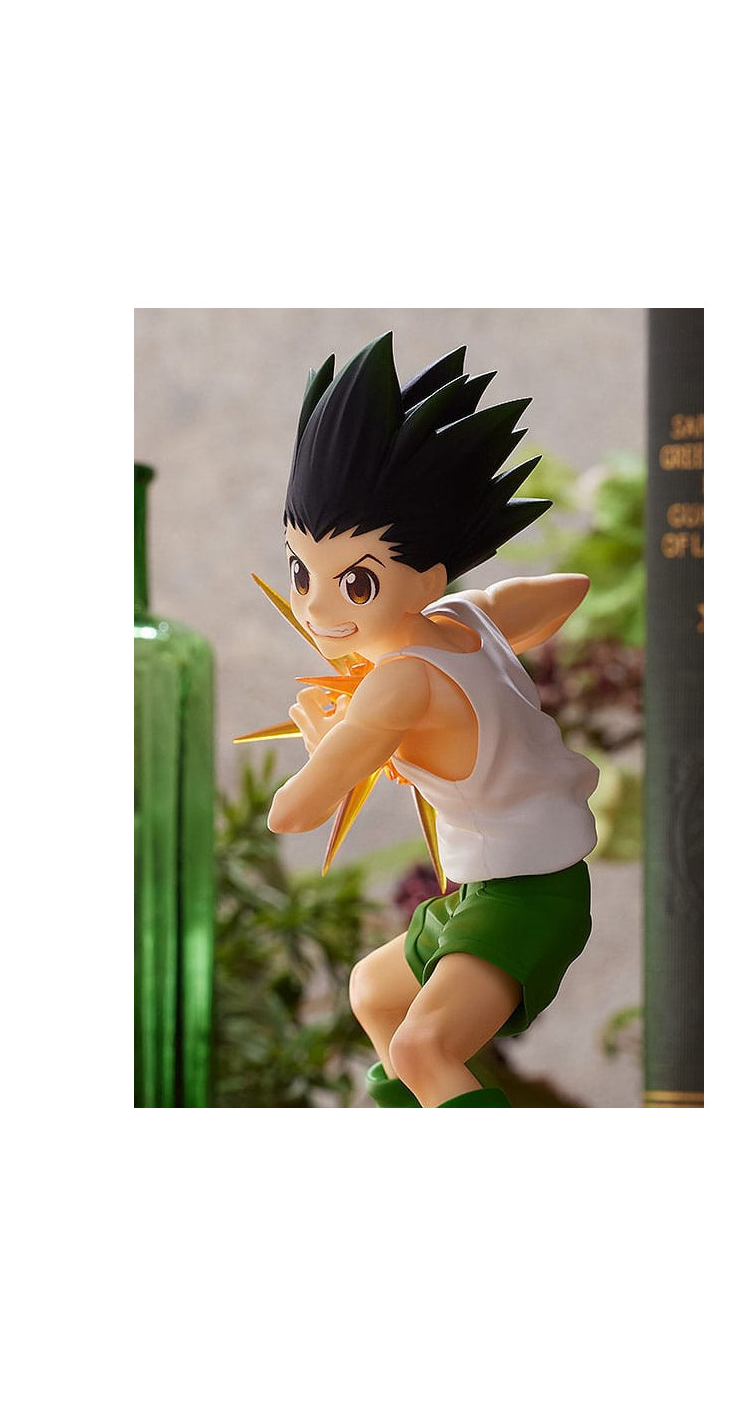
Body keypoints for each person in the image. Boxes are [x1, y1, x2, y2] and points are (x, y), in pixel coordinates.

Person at [265, 332, 599, 1108]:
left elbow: (292, 813)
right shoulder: (468, 616)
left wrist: (331, 744)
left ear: (431, 573)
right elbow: (569, 590)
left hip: (526, 898)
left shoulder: (397, 684)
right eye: (301, 569)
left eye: (355, 582)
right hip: (494, 890)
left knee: (423, 1047)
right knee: (375, 992)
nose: (315, 605)